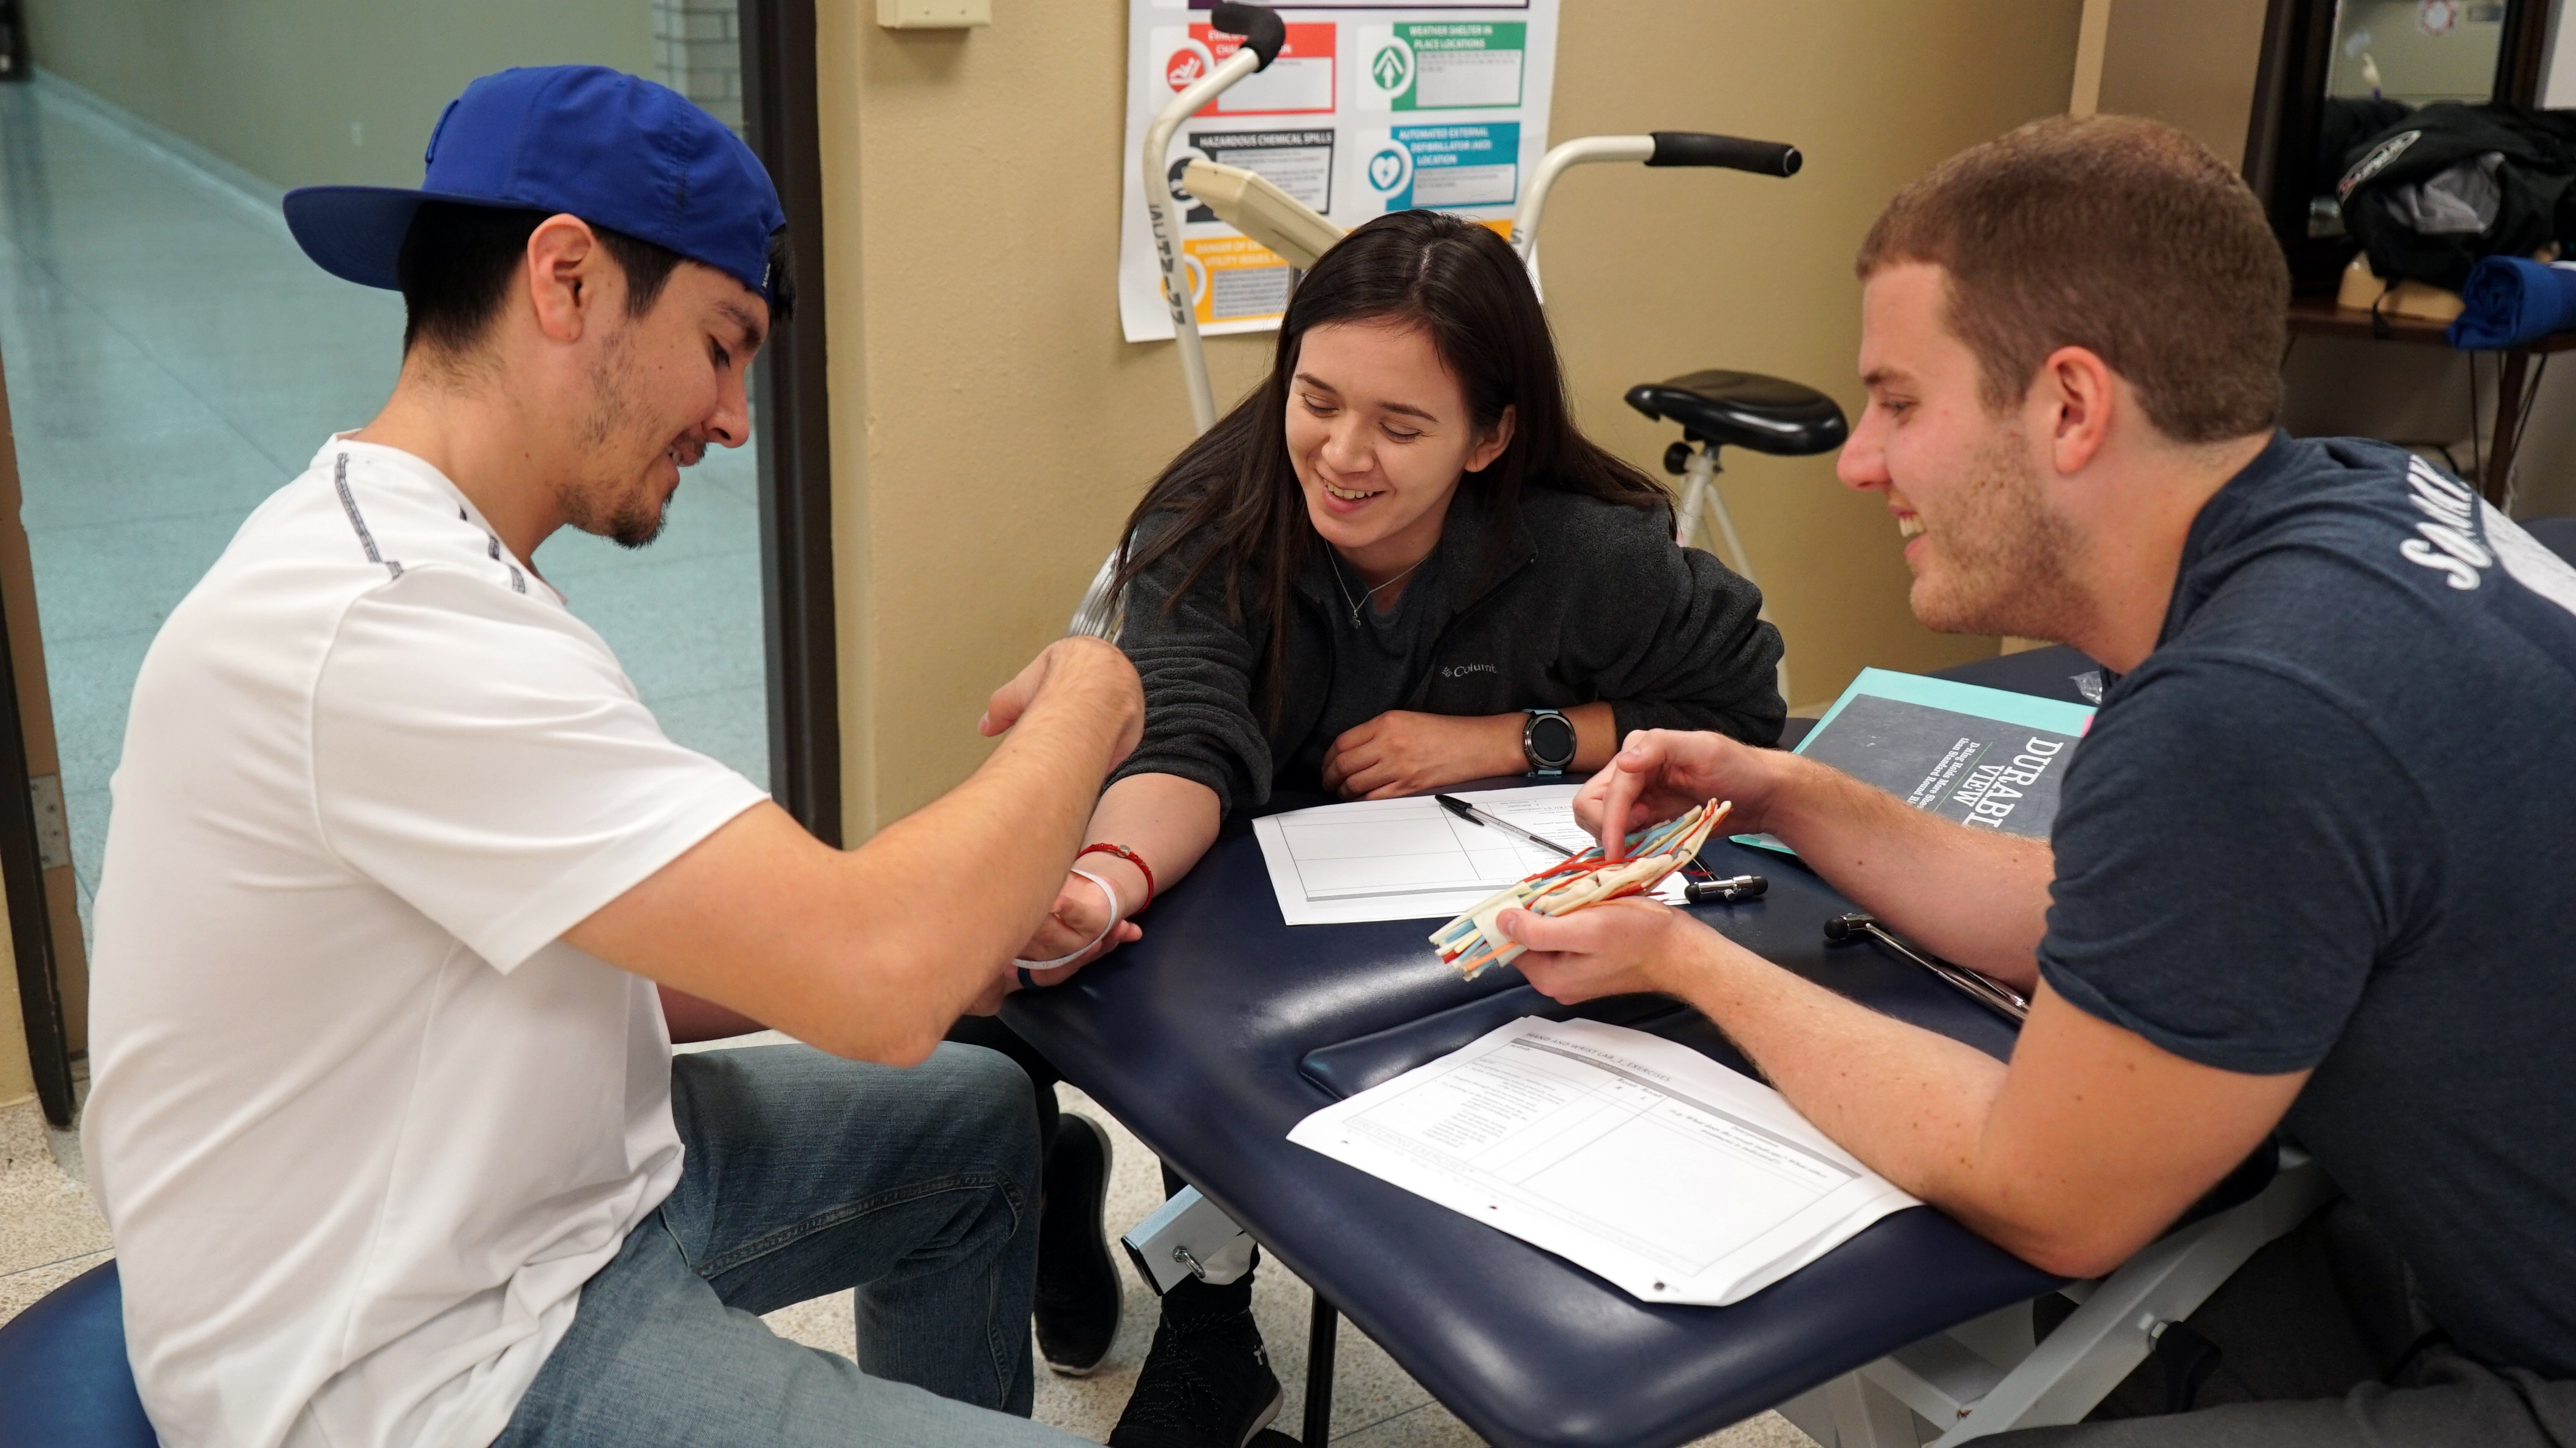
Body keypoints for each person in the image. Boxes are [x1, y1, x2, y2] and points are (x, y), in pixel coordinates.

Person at [80, 67, 1129, 1448]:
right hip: (422, 1362)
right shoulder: (385, 622)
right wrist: (1092, 702)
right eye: (722, 342)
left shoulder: (426, 558)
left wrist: (927, 942)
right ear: (566, 279)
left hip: (534, 1197)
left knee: (974, 1112)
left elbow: (591, 939)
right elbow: (878, 979)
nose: (735, 416)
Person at [1501, 115, 2576, 1444]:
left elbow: (2045, 1185)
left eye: (1898, 402)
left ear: (2068, 405)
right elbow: (2122, 906)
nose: (1857, 460)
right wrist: (1784, 792)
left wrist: (1685, 962)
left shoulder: (2247, 703)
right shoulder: (2348, 514)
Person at [956, 208, 1788, 1446]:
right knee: (986, 1026)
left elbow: (1740, 704)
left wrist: (1517, 737)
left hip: (1445, 901)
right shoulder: (1218, 520)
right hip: (1228, 871)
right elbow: (1183, 739)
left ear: (1489, 436)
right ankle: (1086, 1233)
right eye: (1316, 400)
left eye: (1399, 426)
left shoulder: (1579, 553)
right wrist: (1105, 879)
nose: (1341, 454)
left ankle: (1228, 1306)